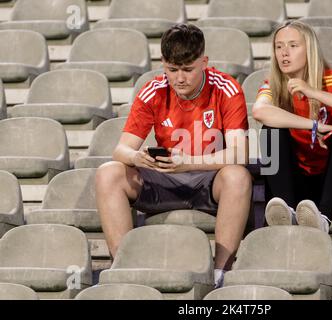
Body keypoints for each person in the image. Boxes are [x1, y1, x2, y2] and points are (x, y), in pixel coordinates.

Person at [95, 24, 252, 288]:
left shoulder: (226, 88)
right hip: (165, 178)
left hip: (209, 180)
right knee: (108, 173)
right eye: (172, 69)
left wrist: (188, 162)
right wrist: (137, 157)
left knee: (238, 176)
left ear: (204, 62)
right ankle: (125, 269)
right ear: (162, 64)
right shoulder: (153, 90)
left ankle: (219, 274)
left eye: (188, 69)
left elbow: (240, 153)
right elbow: (120, 149)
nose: (179, 78)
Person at [252, 21, 332, 232]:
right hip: (293, 186)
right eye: (279, 46)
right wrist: (314, 126)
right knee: (271, 130)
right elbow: (259, 111)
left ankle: (323, 219)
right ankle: (287, 213)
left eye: (292, 45)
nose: (284, 53)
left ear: (309, 49)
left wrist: (313, 92)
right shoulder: (273, 83)